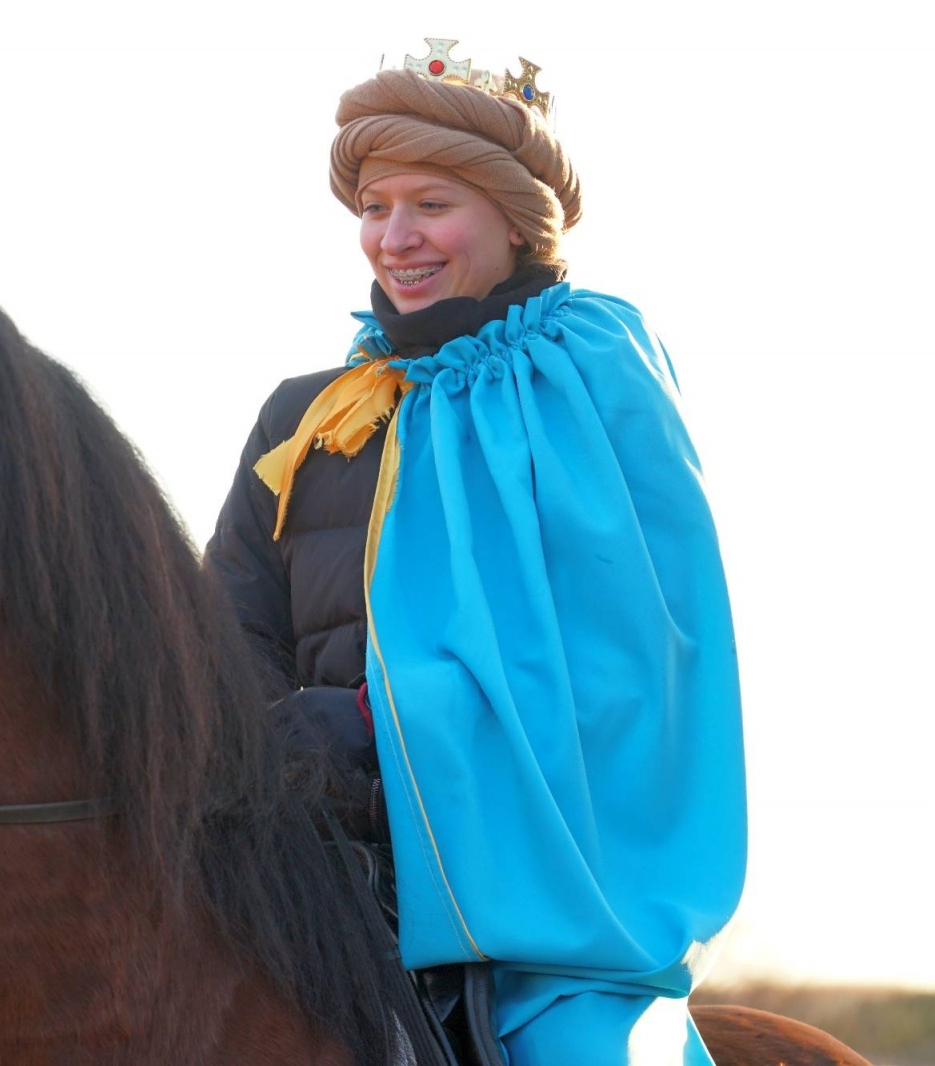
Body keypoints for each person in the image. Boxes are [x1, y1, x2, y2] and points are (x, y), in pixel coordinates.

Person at [205, 40, 746, 1066]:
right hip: (304, 860)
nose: (393, 238)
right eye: (373, 206)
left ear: (514, 217)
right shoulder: (306, 415)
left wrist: (370, 726)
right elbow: (227, 620)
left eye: (431, 205)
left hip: (533, 899)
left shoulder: (594, 376)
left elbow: (629, 655)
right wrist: (259, 744)